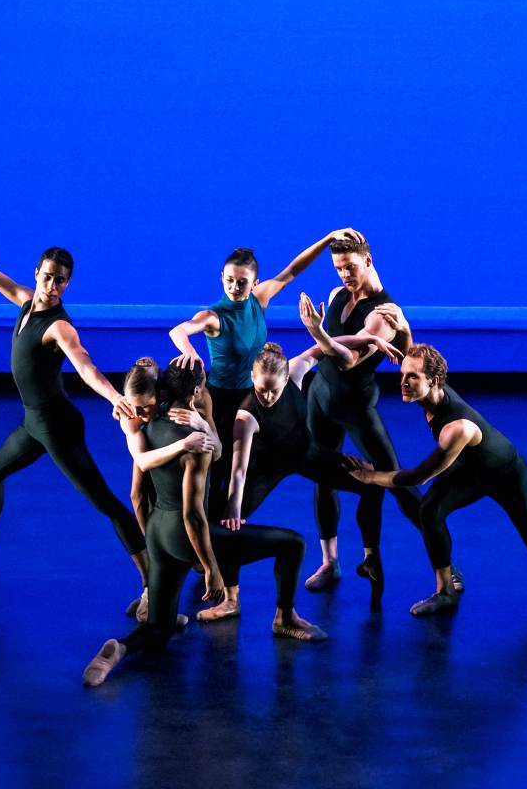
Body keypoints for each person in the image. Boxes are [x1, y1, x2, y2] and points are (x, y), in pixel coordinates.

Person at [0, 204, 148, 602]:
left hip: (57, 426)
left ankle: (152, 585)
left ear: (67, 284)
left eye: (60, 281)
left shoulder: (59, 327)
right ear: (37, 273)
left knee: (105, 502)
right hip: (33, 424)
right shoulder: (24, 300)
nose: (51, 286)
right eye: (47, 277)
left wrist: (114, 396)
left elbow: (84, 364)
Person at [84, 361, 326, 687]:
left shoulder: (146, 427)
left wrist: (152, 541)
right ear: (196, 392)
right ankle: (285, 618)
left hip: (158, 532)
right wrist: (211, 568)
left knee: (160, 627)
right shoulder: (194, 442)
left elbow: (137, 496)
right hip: (188, 536)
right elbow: (193, 515)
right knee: (292, 543)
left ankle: (119, 648)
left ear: (163, 393)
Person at [349, 343, 527, 615]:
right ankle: (446, 592)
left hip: (506, 475)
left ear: (435, 381)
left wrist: (370, 477)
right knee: (429, 511)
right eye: (403, 375)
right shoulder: (431, 389)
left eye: (412, 377)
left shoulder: (457, 428)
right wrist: (401, 332)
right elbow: (412, 353)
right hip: (470, 469)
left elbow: (418, 477)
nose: (403, 382)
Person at [168, 229, 364, 520]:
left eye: (242, 282)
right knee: (220, 467)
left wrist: (327, 239)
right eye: (229, 280)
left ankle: (234, 514)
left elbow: (293, 270)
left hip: (254, 394)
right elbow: (179, 331)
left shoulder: (258, 299)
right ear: (221, 277)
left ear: (255, 283)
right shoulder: (214, 316)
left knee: (253, 463)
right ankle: (206, 526)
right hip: (223, 402)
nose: (235, 287)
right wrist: (190, 351)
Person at [222, 327, 405, 610]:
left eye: (274, 390)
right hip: (267, 469)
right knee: (227, 526)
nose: (267, 397)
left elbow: (327, 345)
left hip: (306, 454)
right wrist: (233, 508)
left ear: (286, 378)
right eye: (261, 390)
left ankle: (370, 557)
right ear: (252, 378)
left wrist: (370, 338)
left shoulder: (295, 370)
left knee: (372, 482)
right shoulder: (246, 418)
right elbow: (239, 469)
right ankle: (227, 593)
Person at [302, 236, 422, 600]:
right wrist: (303, 360)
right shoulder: (338, 295)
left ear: (368, 260)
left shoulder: (383, 314)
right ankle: (330, 563)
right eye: (338, 268)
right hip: (320, 396)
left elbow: (347, 360)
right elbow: (324, 353)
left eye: (350, 267)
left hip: (355, 405)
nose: (344, 275)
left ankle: (446, 561)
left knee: (398, 481)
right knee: (322, 476)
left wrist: (317, 331)